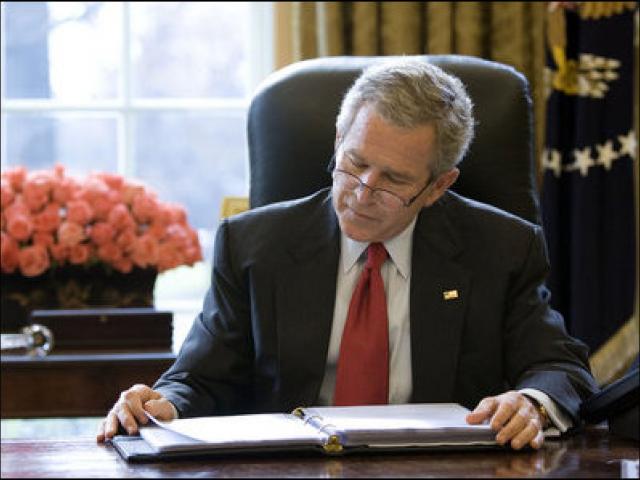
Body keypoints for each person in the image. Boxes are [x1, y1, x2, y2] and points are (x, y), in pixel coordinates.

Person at [97, 59, 598, 450]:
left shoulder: (502, 248)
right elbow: (202, 378)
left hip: (441, 470)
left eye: (395, 179)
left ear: (438, 186)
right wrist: (165, 404)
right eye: (355, 162)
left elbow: (560, 368)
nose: (362, 191)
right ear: (339, 140)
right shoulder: (253, 246)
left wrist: (529, 402)